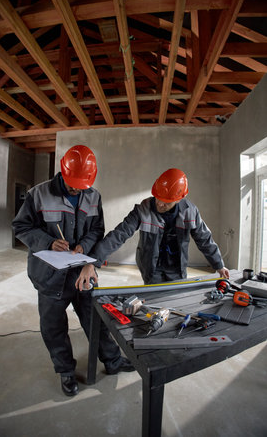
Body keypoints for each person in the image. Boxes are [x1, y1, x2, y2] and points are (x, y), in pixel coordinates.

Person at [12, 145, 134, 397]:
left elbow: (97, 230)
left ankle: (112, 361)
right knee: (54, 327)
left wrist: (84, 246)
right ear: (63, 172)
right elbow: (20, 226)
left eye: (82, 185)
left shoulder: (94, 196)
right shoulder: (38, 194)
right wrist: (47, 242)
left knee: (96, 320)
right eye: (72, 185)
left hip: (82, 272)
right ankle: (66, 371)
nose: (78, 190)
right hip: (49, 276)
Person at [76, 168, 229, 290]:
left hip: (177, 268)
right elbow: (119, 234)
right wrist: (93, 262)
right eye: (158, 199)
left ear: (179, 198)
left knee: (175, 299)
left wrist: (219, 265)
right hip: (151, 267)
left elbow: (204, 239)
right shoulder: (143, 209)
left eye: (166, 202)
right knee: (154, 300)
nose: (159, 205)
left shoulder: (190, 211)